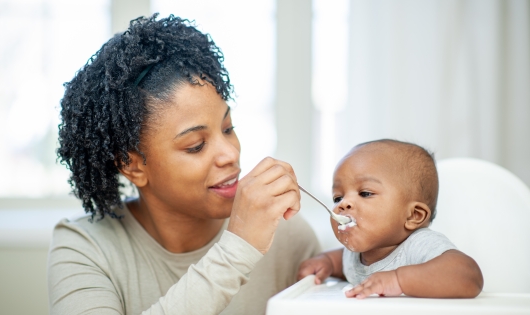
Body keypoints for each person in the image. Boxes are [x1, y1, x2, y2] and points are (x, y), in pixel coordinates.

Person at [48, 14, 321, 315]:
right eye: (196, 146)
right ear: (132, 166)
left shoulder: (286, 235)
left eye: (228, 128)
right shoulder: (85, 248)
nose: (230, 154)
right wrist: (240, 247)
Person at [297, 139, 483, 298]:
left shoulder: (419, 245)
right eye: (338, 197)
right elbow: (340, 260)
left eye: (365, 193)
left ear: (413, 215)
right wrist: (325, 263)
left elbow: (469, 275)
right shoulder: (354, 255)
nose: (343, 204)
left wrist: (398, 280)